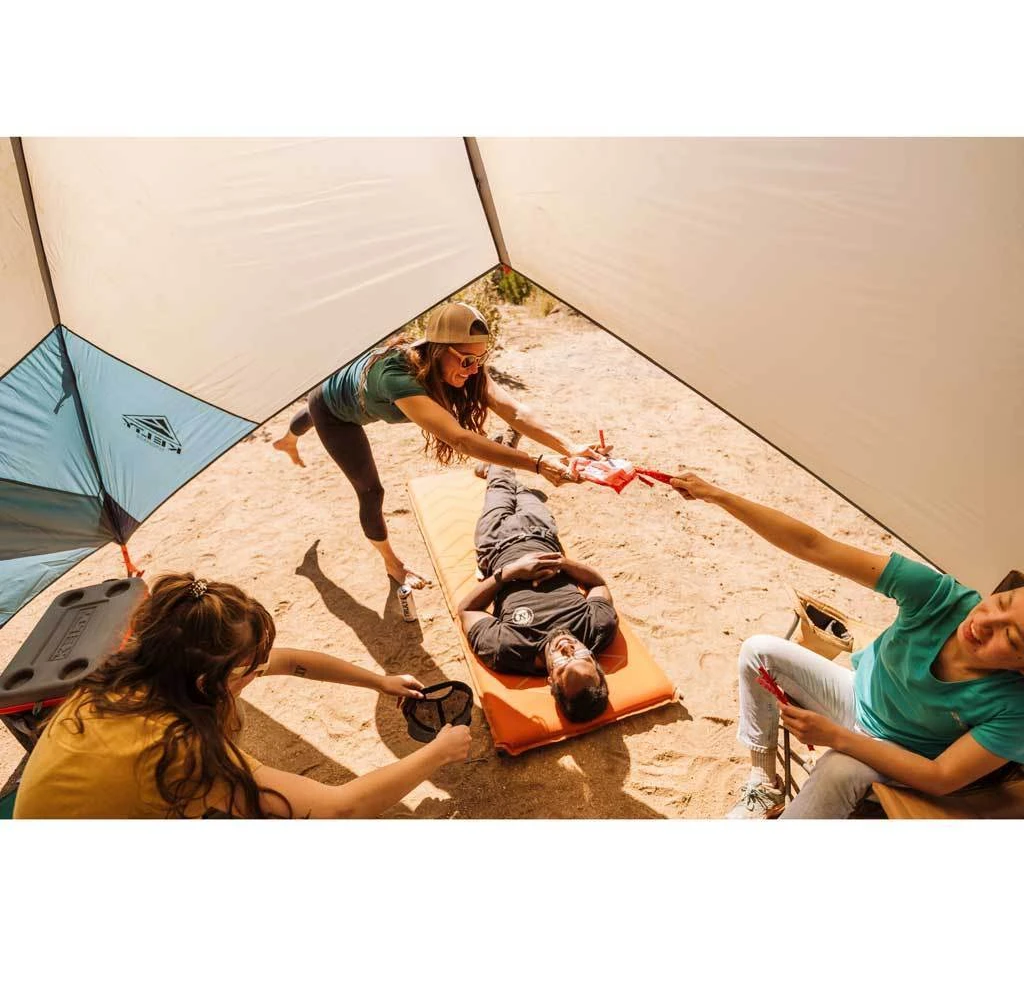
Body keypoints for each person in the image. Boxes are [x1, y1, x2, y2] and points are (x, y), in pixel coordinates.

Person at [670, 471, 1024, 820]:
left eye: (1009, 636)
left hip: (901, 753)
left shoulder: (1014, 706)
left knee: (838, 771)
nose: (985, 622)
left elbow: (941, 777)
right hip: (856, 695)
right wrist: (718, 496)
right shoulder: (938, 596)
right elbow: (814, 546)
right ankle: (765, 782)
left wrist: (836, 737)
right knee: (759, 651)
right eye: (1003, 602)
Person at [14, 573, 471, 819]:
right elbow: (338, 808)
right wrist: (439, 752)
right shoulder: (174, 748)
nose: (258, 673)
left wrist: (379, 681)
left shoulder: (136, 674)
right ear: (208, 682)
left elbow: (292, 662)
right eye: (250, 670)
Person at [272, 301, 608, 589]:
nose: (474, 370)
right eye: (466, 361)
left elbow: (515, 411)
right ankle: (392, 563)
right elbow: (460, 439)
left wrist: (571, 447)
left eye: (480, 359)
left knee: (322, 407)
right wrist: (536, 464)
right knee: (369, 490)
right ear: (438, 350)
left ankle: (289, 440)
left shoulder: (461, 365)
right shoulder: (397, 377)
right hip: (334, 409)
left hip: (353, 391)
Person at [456, 437, 619, 723]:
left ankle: (502, 451)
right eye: (580, 657)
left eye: (563, 665)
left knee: (502, 487)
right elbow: (598, 585)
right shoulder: (598, 629)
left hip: (496, 543)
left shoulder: (509, 650)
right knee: (526, 493)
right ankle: (498, 463)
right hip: (542, 532)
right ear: (595, 662)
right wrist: (563, 563)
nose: (568, 649)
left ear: (550, 680)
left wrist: (510, 572)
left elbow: (467, 611)